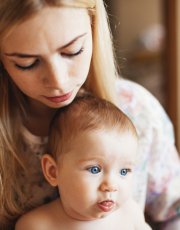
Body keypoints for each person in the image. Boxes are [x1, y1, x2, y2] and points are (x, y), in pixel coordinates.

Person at [0, 0, 179, 229]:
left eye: (72, 51)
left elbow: (173, 212)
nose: (59, 82)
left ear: (94, 26)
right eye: (27, 63)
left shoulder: (138, 111)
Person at [15, 94, 152, 230]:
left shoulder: (130, 214)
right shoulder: (35, 225)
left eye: (124, 171)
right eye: (94, 169)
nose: (111, 186)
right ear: (53, 172)